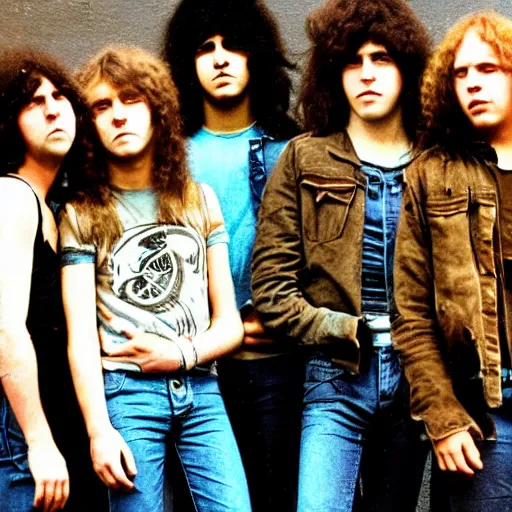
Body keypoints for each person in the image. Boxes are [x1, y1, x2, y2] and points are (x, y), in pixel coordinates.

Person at [251, 0, 431, 510]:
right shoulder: (303, 157)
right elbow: (271, 289)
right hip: (333, 372)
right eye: (352, 62)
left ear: (407, 69)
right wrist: (340, 328)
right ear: (333, 73)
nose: (367, 74)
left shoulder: (436, 161)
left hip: (419, 376)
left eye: (381, 59)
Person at [59, 45, 251, 512]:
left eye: (131, 100)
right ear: (89, 125)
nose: (118, 116)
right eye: (102, 107)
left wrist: (180, 354)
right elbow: (81, 338)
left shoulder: (198, 200)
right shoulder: (82, 213)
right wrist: (99, 431)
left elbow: (231, 325)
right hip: (126, 394)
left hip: (203, 389)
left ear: (157, 110)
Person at [164, 1, 301, 510]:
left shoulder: (296, 149)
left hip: (275, 366)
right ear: (186, 63)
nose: (220, 59)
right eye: (205, 48)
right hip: (194, 373)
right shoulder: (167, 156)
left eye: (234, 46)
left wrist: (288, 316)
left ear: (257, 56)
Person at [392, 10, 512, 511]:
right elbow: (412, 315)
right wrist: (443, 417)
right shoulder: (430, 173)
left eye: (488, 69)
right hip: (482, 417)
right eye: (460, 74)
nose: (472, 85)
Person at [0, 48, 103, 512]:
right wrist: (38, 442)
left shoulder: (52, 207)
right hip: (19, 430)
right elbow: (3, 328)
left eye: (60, 96)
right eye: (33, 101)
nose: (52, 108)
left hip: (44, 422)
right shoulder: (12, 196)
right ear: (7, 123)